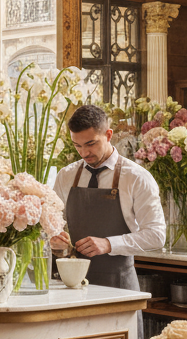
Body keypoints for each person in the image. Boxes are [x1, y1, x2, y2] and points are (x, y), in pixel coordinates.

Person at [50, 104, 165, 291]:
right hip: (71, 287)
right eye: (77, 145)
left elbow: (157, 235)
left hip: (119, 286)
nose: (84, 153)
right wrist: (55, 241)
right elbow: (52, 227)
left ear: (109, 135)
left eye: (91, 144)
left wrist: (109, 244)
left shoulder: (136, 177)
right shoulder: (66, 176)